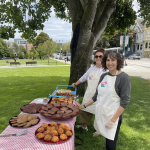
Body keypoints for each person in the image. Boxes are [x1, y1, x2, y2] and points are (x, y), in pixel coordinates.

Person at [74, 51, 131, 150]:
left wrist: (112, 120)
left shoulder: (124, 78)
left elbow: (125, 101)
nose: (110, 63)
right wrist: (83, 106)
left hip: (113, 116)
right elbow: (97, 95)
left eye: (113, 60)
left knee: (110, 145)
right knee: (106, 138)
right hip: (102, 113)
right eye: (108, 60)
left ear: (118, 61)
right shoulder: (104, 76)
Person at [71, 48, 108, 131]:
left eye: (100, 56)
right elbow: (84, 77)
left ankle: (99, 130)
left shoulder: (106, 70)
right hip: (89, 93)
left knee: (99, 113)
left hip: (100, 96)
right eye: (96, 56)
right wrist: (75, 84)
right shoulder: (92, 68)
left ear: (104, 57)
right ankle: (84, 126)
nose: (98, 58)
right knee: (84, 110)